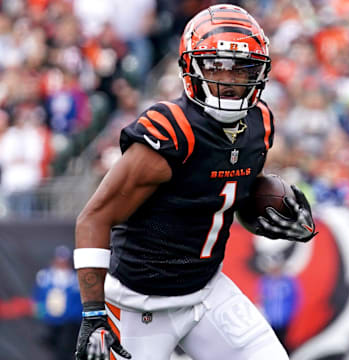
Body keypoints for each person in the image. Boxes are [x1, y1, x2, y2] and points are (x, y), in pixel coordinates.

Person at [74, 4, 317, 360]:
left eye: (242, 68)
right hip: (140, 304)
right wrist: (94, 314)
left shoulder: (259, 123)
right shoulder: (173, 130)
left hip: (206, 291)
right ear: (191, 66)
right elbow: (93, 218)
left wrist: (275, 218)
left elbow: (232, 196)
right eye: (218, 66)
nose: (230, 81)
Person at [33, 245, 82, 360]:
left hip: (70, 321)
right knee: (52, 346)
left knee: (65, 348)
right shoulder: (45, 276)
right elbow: (38, 297)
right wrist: (41, 312)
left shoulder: (75, 279)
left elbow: (79, 301)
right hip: (51, 320)